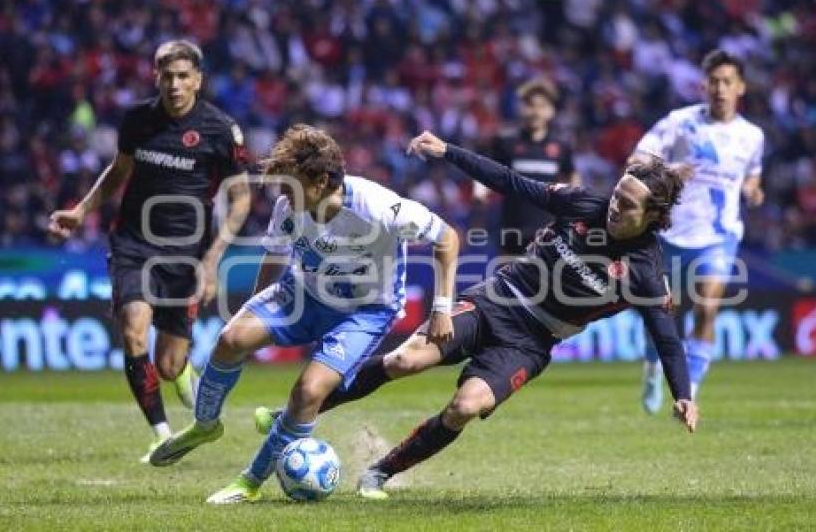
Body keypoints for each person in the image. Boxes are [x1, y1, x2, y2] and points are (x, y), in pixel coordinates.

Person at [259, 130, 699, 499]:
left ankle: (380, 471)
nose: (615, 207)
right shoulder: (584, 204)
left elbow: (665, 335)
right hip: (498, 299)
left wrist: (683, 393)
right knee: (404, 360)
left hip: (531, 342)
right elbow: (510, 181)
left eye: (627, 206)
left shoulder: (645, 271)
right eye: (618, 195)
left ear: (653, 216)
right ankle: (293, 415)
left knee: (465, 407)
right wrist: (448, 151)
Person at [148, 124, 460, 505]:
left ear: (322, 180)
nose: (281, 194)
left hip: (365, 311)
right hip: (303, 293)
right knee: (231, 338)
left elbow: (447, 238)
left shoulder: (378, 206)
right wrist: (255, 308)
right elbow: (275, 255)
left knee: (309, 392)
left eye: (289, 185)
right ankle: (204, 425)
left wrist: (441, 308)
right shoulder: (289, 207)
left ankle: (250, 482)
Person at [48, 40, 251, 462]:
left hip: (186, 255)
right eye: (167, 76)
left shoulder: (220, 130)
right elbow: (118, 170)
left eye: (183, 76)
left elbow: (242, 199)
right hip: (134, 243)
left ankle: (184, 375)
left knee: (170, 365)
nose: (174, 85)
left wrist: (212, 260)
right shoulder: (138, 119)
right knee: (133, 330)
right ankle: (161, 435)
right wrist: (81, 210)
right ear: (156, 77)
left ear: (198, 80)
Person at [633, 50, 765, 413]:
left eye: (727, 82)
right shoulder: (680, 122)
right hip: (670, 234)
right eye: (714, 81)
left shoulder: (752, 136)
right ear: (704, 86)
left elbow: (753, 173)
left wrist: (753, 189)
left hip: (719, 236)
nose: (720, 88)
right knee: (663, 316)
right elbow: (639, 157)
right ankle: (651, 367)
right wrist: (666, 171)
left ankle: (687, 393)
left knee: (707, 308)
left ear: (740, 87)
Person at [474, 77, 580, 256]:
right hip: (512, 230)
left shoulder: (561, 145)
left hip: (548, 232)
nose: (535, 112)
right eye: (530, 105)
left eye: (542, 106)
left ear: (551, 111)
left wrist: (575, 200)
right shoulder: (505, 141)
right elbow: (486, 170)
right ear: (521, 108)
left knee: (547, 274)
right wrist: (480, 191)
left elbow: (571, 175)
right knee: (507, 273)